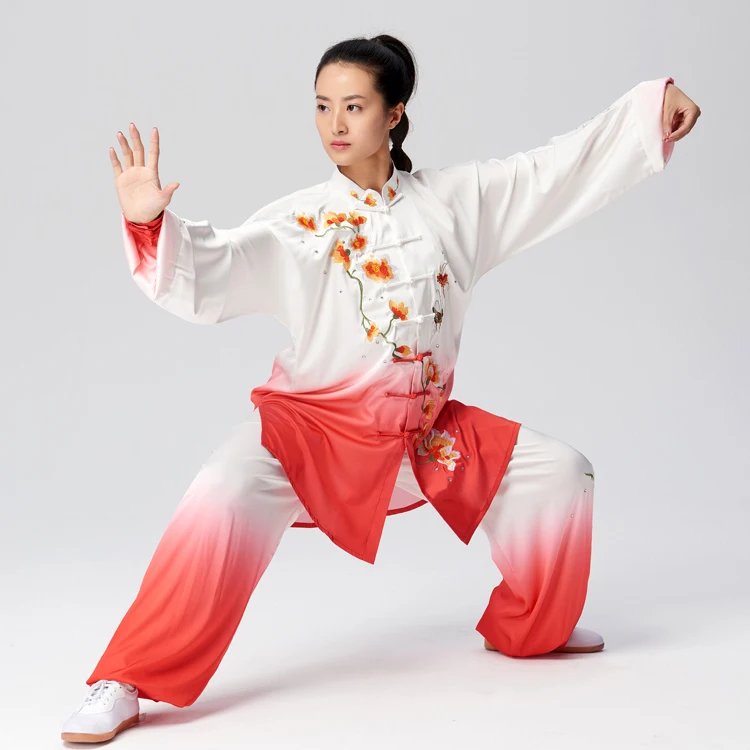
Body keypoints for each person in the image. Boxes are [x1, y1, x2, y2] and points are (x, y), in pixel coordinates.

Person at [60, 33, 700, 743]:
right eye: (322, 106)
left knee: (561, 471)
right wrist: (150, 221)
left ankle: (535, 626)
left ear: (394, 114)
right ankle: (123, 681)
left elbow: (552, 171)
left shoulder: (455, 203)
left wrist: (648, 112)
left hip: (424, 438)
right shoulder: (299, 221)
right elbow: (216, 267)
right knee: (219, 495)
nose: (334, 124)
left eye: (354, 106)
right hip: (310, 432)